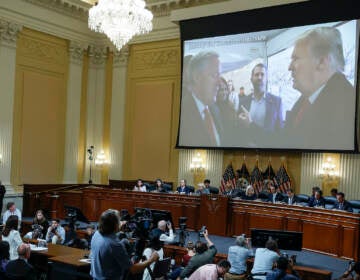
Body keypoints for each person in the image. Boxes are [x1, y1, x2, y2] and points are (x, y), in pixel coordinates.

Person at [286, 27, 355, 148]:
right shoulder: (306, 99)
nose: (290, 67)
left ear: (322, 62)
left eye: (296, 58)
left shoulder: (347, 105)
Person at [90, 209, 159, 280]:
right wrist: (151, 259)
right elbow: (134, 270)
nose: (120, 222)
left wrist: (118, 227)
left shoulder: (97, 234)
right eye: (118, 220)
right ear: (114, 225)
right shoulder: (114, 245)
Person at [179, 51, 224, 147]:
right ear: (197, 77)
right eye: (214, 75)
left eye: (220, 75)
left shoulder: (216, 110)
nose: (220, 83)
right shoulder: (181, 112)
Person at [238, 63, 283, 141]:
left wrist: (250, 125)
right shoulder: (243, 102)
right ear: (251, 79)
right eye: (256, 74)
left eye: (262, 74)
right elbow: (238, 130)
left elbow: (279, 134)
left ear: (267, 79)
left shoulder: (277, 102)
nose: (259, 77)